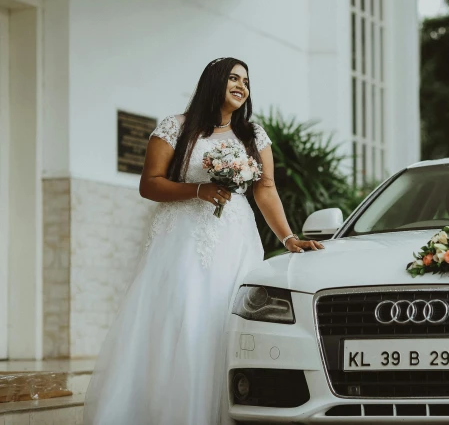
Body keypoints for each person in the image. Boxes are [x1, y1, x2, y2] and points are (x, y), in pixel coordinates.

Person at [83, 57, 323, 424]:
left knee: (227, 322)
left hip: (235, 240)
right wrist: (198, 189)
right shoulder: (175, 128)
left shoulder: (252, 135)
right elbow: (150, 183)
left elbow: (266, 190)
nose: (241, 86)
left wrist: (289, 237)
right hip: (180, 241)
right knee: (182, 320)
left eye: (246, 80)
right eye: (233, 78)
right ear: (214, 81)